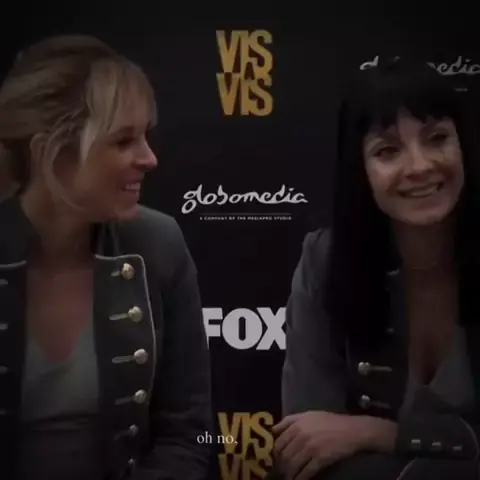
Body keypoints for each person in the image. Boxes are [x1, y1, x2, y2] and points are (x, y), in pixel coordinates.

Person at [0, 35, 212, 480]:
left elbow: (187, 438)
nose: (149, 159)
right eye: (123, 141)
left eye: (145, 136)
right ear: (48, 153)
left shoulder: (158, 244)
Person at [269, 58, 480, 479]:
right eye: (387, 151)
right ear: (361, 171)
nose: (419, 166)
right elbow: (308, 443)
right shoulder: (324, 260)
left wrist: (380, 433)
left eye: (437, 138)